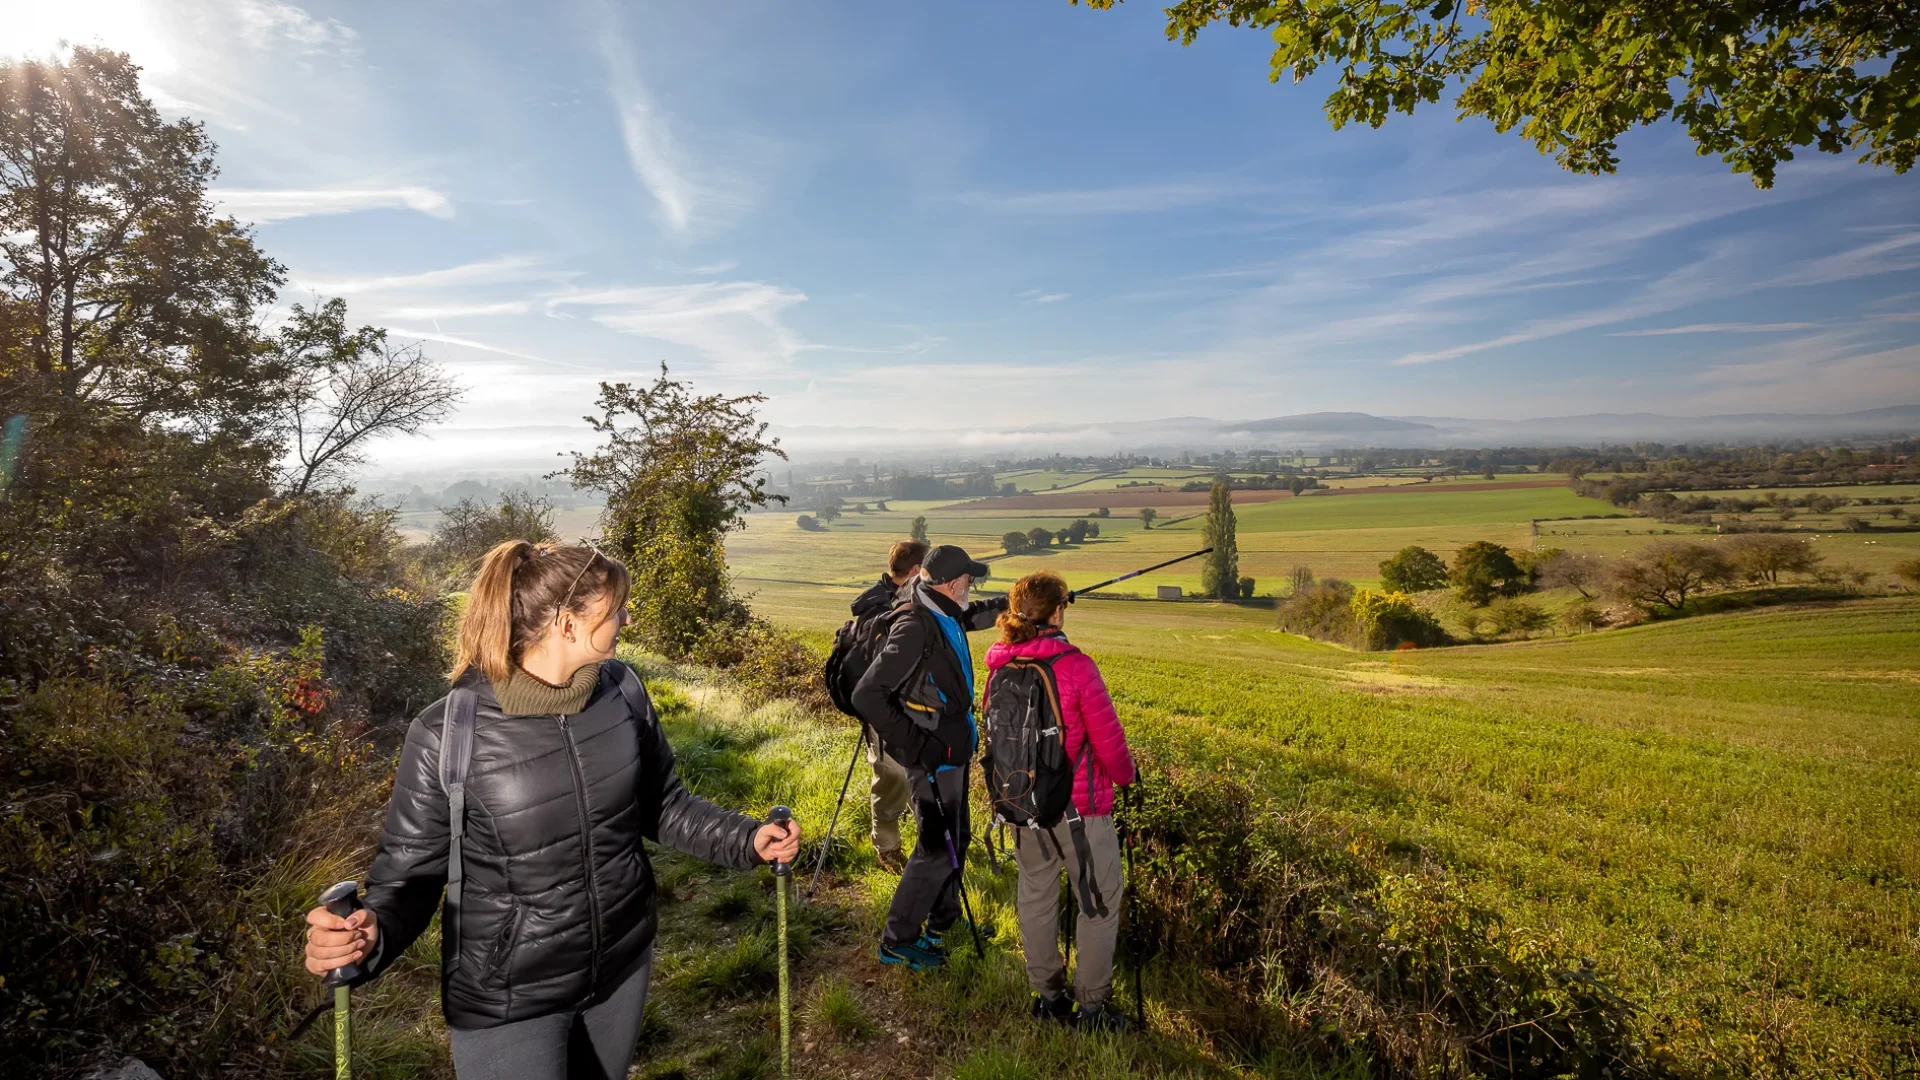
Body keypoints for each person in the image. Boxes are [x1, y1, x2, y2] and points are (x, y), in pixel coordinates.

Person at [301, 539, 801, 1080]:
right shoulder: (446, 732)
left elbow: (663, 805)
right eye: (616, 610)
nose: (627, 619)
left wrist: (748, 839)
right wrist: (367, 935)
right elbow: (410, 878)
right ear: (567, 624)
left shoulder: (623, 690)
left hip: (622, 965)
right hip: (508, 998)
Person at [984, 570, 1136, 1032]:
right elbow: (1109, 745)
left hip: (1024, 807)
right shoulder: (1076, 666)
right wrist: (1127, 778)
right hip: (1079, 811)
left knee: (1035, 897)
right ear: (1059, 611)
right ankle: (1091, 1008)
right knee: (1099, 903)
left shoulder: (999, 666)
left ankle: (1048, 997)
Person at [850, 544, 1006, 970]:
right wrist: (915, 747)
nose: (971, 588)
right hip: (933, 757)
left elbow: (972, 616)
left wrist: (1016, 605)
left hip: (951, 751)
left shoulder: (940, 607)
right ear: (954, 584)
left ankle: (943, 921)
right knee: (936, 849)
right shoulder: (917, 624)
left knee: (958, 841)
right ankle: (898, 939)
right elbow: (867, 694)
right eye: (969, 581)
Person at [850, 539, 927, 871]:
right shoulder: (881, 609)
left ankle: (930, 841)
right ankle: (888, 850)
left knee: (912, 778)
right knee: (890, 781)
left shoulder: (887, 598)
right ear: (913, 571)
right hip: (886, 713)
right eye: (926, 571)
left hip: (906, 712)